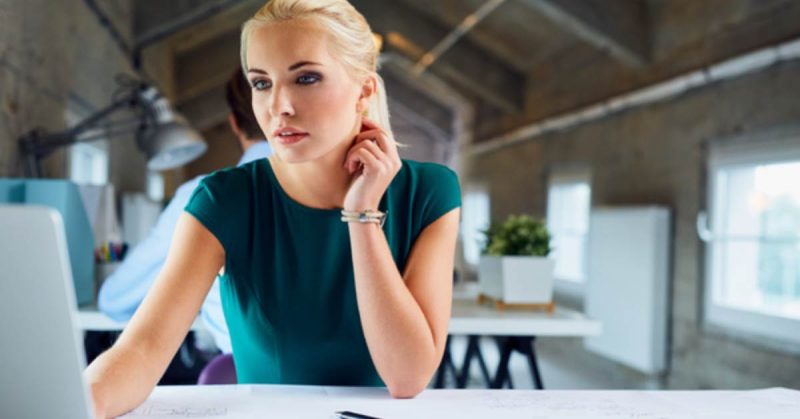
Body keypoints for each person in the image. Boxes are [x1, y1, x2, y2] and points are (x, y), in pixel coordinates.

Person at [85, 0, 461, 417]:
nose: (279, 105)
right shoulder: (223, 200)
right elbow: (141, 350)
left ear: (364, 91)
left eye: (306, 78)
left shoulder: (429, 191)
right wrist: (75, 404)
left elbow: (407, 378)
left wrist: (362, 215)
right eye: (261, 83)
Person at [97, 68, 272, 355]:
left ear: (234, 124)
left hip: (247, 377)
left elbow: (116, 300)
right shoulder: (355, 188)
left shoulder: (201, 195)